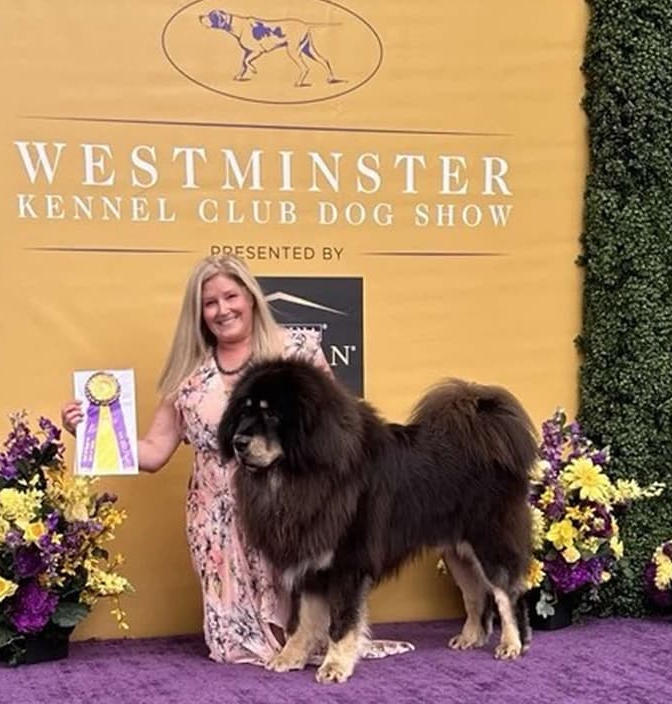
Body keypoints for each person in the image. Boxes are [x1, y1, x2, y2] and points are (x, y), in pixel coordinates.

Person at [61, 254, 413, 666]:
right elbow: (155, 452)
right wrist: (91, 430)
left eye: (231, 296)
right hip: (218, 527)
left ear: (251, 297)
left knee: (303, 622)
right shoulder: (187, 374)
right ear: (199, 313)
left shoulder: (297, 350)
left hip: (294, 515)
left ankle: (319, 641)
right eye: (210, 303)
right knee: (233, 652)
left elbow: (336, 433)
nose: (222, 309)